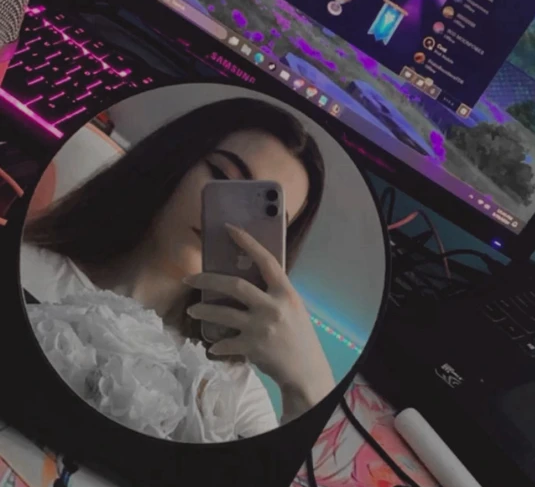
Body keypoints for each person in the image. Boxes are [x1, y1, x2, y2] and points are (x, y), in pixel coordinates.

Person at [20, 97, 334, 442]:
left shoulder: (234, 393)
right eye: (222, 177)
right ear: (173, 159)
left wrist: (309, 387)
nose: (231, 222)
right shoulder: (26, 266)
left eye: (264, 216)